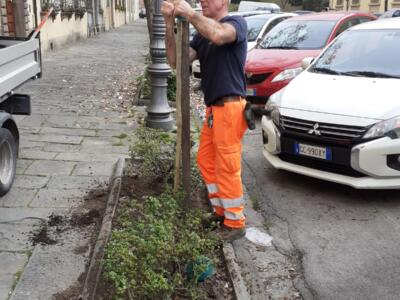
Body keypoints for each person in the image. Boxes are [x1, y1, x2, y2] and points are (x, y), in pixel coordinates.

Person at [161, 0, 248, 240]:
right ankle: (221, 212)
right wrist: (169, 24)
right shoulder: (202, 34)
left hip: (230, 108)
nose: (202, 1)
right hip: (213, 111)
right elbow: (175, 61)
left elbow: (219, 35)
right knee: (206, 160)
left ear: (224, 1)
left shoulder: (236, 24)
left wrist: (190, 14)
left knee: (227, 166)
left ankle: (235, 223)